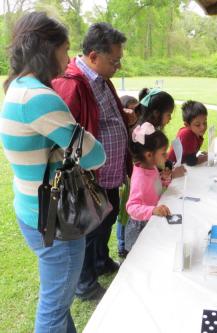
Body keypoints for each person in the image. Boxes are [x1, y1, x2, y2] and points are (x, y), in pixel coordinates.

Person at [0, 12, 106, 332]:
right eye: (65, 48)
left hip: (32, 209)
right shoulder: (40, 98)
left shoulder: (16, 86)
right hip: (53, 219)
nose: (68, 56)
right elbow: (95, 155)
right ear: (48, 50)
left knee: (58, 302)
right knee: (54, 306)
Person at [52, 23, 132, 300]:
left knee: (106, 220)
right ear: (94, 56)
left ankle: (101, 261)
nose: (118, 66)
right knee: (88, 229)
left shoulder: (101, 78)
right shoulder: (71, 83)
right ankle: (85, 284)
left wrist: (123, 117)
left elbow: (103, 116)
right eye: (115, 60)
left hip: (109, 173)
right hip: (88, 177)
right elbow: (63, 136)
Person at [125, 122, 171, 251]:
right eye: (163, 153)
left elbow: (153, 187)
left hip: (151, 220)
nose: (166, 156)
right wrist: (153, 210)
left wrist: (164, 180)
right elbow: (131, 207)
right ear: (149, 155)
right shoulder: (140, 178)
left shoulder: (152, 167)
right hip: (140, 227)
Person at [136, 87, 186, 178]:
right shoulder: (147, 135)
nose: (170, 118)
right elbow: (150, 173)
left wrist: (168, 166)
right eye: (168, 114)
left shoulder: (148, 130)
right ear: (156, 113)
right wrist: (171, 174)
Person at [116, 95, 139, 258]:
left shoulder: (138, 129)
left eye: (136, 110)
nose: (134, 114)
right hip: (125, 179)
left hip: (134, 177)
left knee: (127, 213)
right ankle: (122, 245)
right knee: (123, 214)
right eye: (130, 110)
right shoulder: (123, 131)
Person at [168, 100, 208, 166]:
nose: (203, 127)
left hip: (180, 166)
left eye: (205, 122)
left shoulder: (195, 132)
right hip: (171, 168)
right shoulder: (187, 135)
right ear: (187, 125)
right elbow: (191, 162)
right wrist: (206, 158)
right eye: (197, 124)